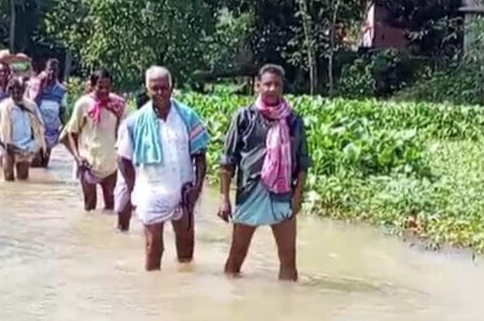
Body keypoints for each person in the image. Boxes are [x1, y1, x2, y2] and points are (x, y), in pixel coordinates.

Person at [218, 64, 312, 281]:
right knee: (237, 255)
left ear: (282, 88)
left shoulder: (293, 120)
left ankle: (286, 310)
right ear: (258, 86)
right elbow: (227, 161)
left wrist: (298, 196)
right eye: (267, 84)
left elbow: (303, 163)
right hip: (250, 192)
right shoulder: (244, 117)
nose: (271, 89)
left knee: (288, 258)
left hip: (282, 194)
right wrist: (224, 198)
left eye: (277, 84)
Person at [115, 66, 209, 270]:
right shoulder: (135, 122)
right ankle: (152, 294)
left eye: (164, 87)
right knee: (153, 247)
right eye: (155, 88)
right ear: (147, 89)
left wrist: (197, 187)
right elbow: (123, 159)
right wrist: (133, 189)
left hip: (184, 191)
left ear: (172, 87)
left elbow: (200, 155)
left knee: (186, 249)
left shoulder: (187, 116)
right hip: (151, 191)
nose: (160, 93)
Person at [62, 69, 126, 212]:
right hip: (88, 163)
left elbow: (126, 133)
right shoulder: (84, 104)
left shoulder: (119, 105)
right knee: (89, 207)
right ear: (92, 86)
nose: (104, 90)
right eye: (100, 86)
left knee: (111, 206)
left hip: (111, 163)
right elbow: (71, 133)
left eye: (107, 87)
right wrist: (78, 158)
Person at [0, 77, 46, 181]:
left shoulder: (31, 106)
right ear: (9, 92)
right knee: (8, 179)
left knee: (23, 179)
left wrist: (35, 145)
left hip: (26, 147)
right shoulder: (3, 107)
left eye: (19, 92)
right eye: (13, 92)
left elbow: (40, 126)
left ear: (23, 91)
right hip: (8, 147)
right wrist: (3, 144)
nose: (16, 95)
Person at [30, 58, 67, 168]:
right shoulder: (35, 85)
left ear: (58, 72)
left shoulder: (62, 89)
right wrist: (40, 87)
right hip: (36, 128)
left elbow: (62, 110)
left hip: (51, 129)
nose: (51, 73)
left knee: (45, 163)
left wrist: (64, 127)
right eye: (50, 69)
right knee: (35, 161)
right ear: (45, 70)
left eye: (54, 70)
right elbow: (33, 104)